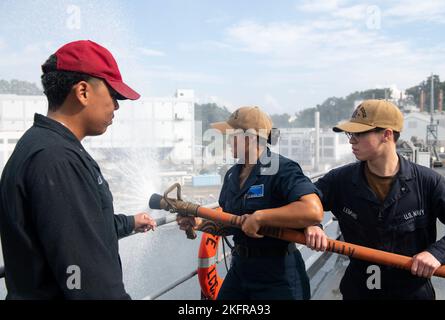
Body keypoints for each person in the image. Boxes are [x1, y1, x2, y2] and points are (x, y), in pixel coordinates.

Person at [0, 40, 156, 299]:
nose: (117, 106)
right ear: (83, 92)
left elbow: (76, 228)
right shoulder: (57, 160)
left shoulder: (40, 145)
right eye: (114, 95)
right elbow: (89, 282)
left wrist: (129, 222)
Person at [305, 99, 445, 299]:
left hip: (411, 294)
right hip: (359, 293)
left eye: (359, 133)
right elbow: (304, 199)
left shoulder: (428, 183)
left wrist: (437, 253)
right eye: (350, 134)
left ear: (387, 134)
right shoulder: (340, 181)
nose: (351, 140)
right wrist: (310, 223)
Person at [177, 106, 323, 300]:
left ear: (250, 138)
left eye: (231, 135)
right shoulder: (232, 175)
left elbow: (312, 210)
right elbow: (230, 224)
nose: (228, 141)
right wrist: (199, 223)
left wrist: (261, 217)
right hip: (241, 270)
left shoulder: (282, 168)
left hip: (277, 275)